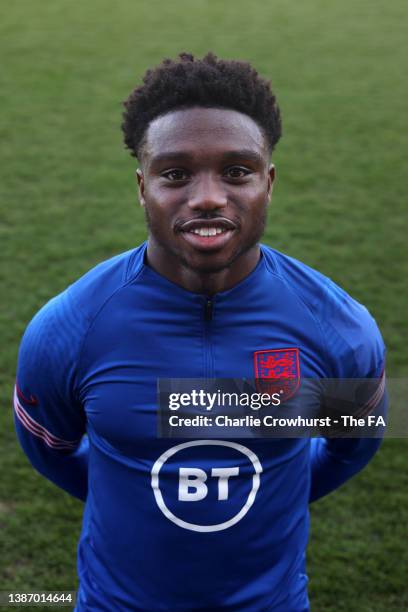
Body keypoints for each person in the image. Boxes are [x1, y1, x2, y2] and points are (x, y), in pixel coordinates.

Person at [14, 53, 387, 611]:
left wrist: (278, 498)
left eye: (237, 171)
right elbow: (49, 447)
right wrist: (127, 492)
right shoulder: (70, 329)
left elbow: (352, 444)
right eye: (176, 173)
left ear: (269, 182)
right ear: (143, 187)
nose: (209, 196)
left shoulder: (337, 329)